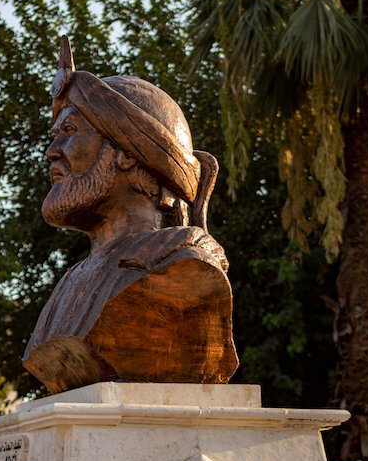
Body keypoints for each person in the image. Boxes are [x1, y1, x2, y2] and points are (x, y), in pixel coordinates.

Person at [22, 36, 238, 393]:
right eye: (54, 135)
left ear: (128, 154)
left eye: (70, 132)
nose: (51, 152)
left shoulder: (180, 267)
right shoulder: (72, 281)